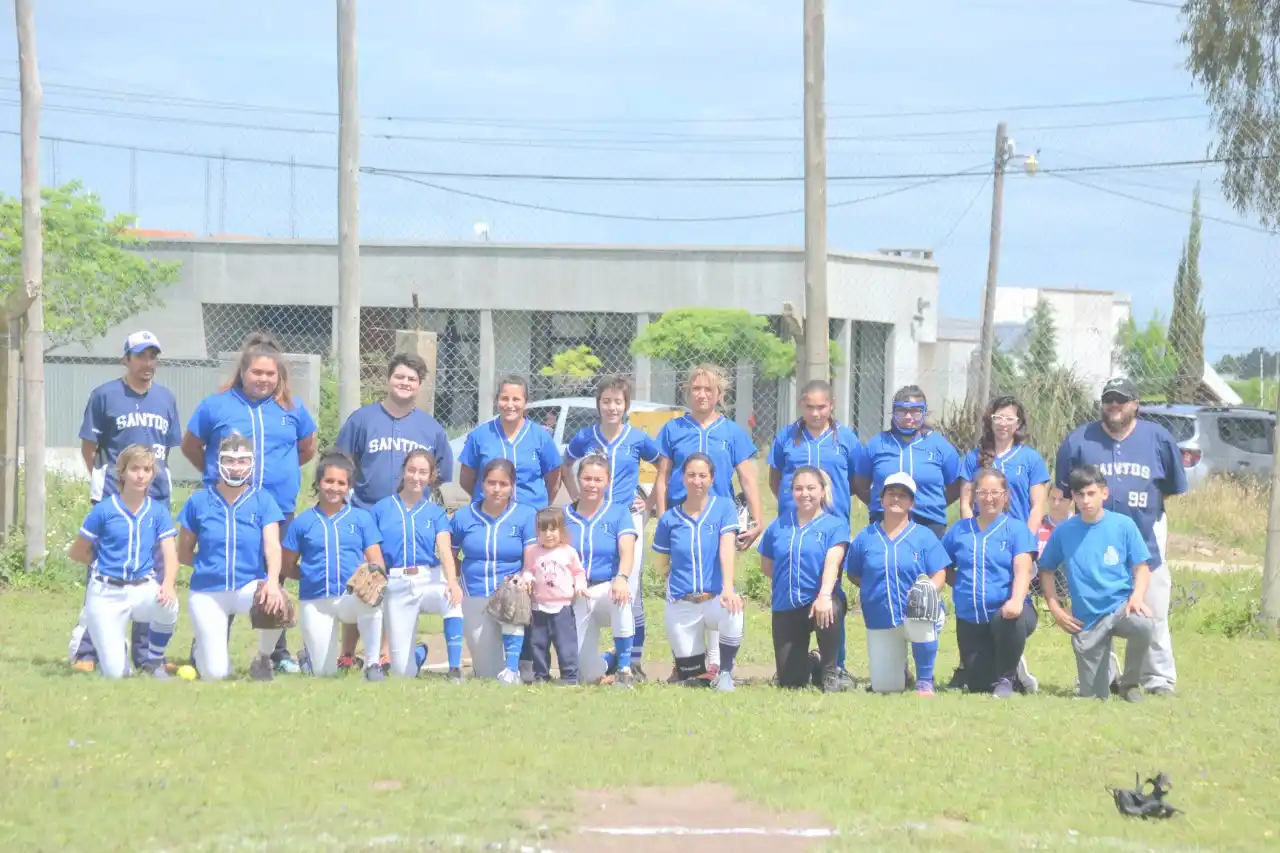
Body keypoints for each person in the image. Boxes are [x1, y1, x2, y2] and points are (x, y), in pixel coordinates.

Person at [183, 331, 317, 674]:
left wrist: (278, 475)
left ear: (280, 376)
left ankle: (275, 652)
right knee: (226, 574)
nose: (263, 379)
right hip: (225, 506)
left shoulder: (291, 408)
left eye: (270, 374)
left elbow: (307, 449)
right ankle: (208, 643)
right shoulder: (217, 405)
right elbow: (190, 446)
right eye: (257, 372)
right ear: (242, 372)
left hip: (276, 507)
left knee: (275, 578)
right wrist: (215, 476)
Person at [1055, 376, 1187, 697]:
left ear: (1135, 404)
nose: (1114, 405)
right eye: (1109, 399)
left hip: (1145, 539)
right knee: (1097, 614)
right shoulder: (1080, 439)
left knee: (1150, 610)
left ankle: (1158, 678)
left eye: (1122, 399)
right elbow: (1062, 493)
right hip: (1092, 545)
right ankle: (1106, 673)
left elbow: (1169, 489)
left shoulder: (1158, 438)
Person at [69, 331, 181, 674]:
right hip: (114, 499)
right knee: (103, 571)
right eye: (140, 356)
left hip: (155, 497)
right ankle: (87, 649)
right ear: (126, 359)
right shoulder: (105, 395)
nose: (147, 363)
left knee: (153, 577)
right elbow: (90, 448)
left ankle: (147, 657)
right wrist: (112, 482)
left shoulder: (165, 398)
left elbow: (167, 447)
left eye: (152, 356)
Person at [337, 352, 455, 671]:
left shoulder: (429, 428)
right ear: (388, 379)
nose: (405, 383)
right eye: (399, 376)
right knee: (364, 584)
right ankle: (348, 653)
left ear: (420, 386)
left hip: (407, 519)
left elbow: (441, 470)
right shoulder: (362, 419)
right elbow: (342, 462)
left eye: (412, 379)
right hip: (366, 511)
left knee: (396, 585)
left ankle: (387, 652)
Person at [653, 364, 762, 679]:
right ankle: (684, 660)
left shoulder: (731, 431)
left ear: (719, 394)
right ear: (688, 391)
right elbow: (661, 478)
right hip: (682, 517)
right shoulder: (674, 429)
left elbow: (747, 477)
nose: (701, 394)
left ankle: (717, 663)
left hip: (719, 520)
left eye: (708, 389)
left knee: (716, 583)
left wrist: (758, 519)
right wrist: (662, 517)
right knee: (685, 582)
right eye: (696, 388)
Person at [766, 378, 863, 688]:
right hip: (794, 529)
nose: (816, 412)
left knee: (830, 594)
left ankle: (836, 665)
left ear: (831, 406)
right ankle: (805, 659)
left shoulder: (846, 439)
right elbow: (774, 478)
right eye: (810, 406)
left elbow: (859, 481)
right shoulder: (787, 438)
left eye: (822, 407)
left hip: (831, 530)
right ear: (801, 406)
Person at [561, 375, 657, 681]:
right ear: (598, 404)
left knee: (630, 588)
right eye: (606, 401)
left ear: (626, 405)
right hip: (590, 517)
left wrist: (651, 501)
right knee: (582, 582)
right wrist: (576, 496)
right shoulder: (585, 436)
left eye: (618, 402)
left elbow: (664, 465)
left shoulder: (638, 438)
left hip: (626, 518)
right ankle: (596, 656)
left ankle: (633, 662)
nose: (612, 407)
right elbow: (566, 465)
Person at [1038, 465, 1157, 702]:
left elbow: (1142, 568)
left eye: (1091, 493)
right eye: (1079, 495)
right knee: (1094, 697)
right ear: (1072, 496)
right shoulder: (1064, 532)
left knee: (1144, 625)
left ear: (1104, 493)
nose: (1085, 500)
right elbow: (1046, 569)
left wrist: (1136, 596)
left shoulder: (1123, 525)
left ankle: (1130, 684)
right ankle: (1103, 673)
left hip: (1120, 607)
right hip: (1087, 618)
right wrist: (1055, 609)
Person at [177, 435, 289, 681]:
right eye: (229, 460)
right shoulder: (199, 501)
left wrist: (271, 583)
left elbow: (272, 547)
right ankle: (202, 649)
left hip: (247, 586)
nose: (235, 467)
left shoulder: (262, 500)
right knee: (216, 674)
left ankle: (263, 658)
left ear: (252, 464)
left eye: (242, 461)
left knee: (279, 601)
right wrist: (209, 566)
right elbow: (183, 553)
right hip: (208, 591)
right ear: (218, 462)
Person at [67, 445, 180, 680]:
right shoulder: (104, 509)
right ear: (122, 473)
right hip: (106, 591)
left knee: (169, 604)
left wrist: (168, 583)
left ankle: (155, 660)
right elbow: (77, 551)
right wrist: (101, 564)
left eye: (147, 469)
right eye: (134, 469)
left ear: (152, 474)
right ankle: (115, 643)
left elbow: (170, 555)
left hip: (142, 587)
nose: (141, 475)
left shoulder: (157, 511)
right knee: (116, 674)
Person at [282, 451, 386, 681]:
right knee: (323, 673)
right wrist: (308, 575)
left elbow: (376, 562)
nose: (334, 487)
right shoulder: (303, 522)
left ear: (349, 487)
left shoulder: (360, 518)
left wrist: (368, 579)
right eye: (328, 480)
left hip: (350, 596)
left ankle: (372, 664)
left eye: (341, 483)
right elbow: (286, 565)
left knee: (370, 597)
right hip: (317, 599)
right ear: (318, 483)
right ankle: (309, 657)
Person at [845, 472, 950, 696]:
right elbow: (853, 573)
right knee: (886, 687)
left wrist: (929, 590)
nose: (896, 499)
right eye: (891, 494)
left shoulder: (923, 535)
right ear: (881, 500)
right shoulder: (866, 537)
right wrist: (875, 587)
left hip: (918, 612)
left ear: (911, 503)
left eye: (903, 495)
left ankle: (924, 680)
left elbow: (940, 572)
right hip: (880, 614)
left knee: (921, 605)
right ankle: (901, 671)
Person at [941, 468, 1039, 698]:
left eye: (995, 492)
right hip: (971, 616)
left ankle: (1007, 677)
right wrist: (964, 584)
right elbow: (942, 565)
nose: (989, 498)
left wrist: (1016, 601)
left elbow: (1022, 569)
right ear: (975, 496)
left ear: (1006, 496)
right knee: (978, 685)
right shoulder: (960, 530)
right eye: (983, 492)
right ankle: (1015, 668)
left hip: (1009, 613)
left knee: (1006, 620)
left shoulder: (1016, 529)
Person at [651, 453, 745, 693]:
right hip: (683, 603)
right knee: (693, 678)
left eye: (703, 475)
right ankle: (704, 671)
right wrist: (674, 576)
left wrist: (727, 588)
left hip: (714, 598)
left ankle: (725, 672)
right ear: (682, 478)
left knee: (733, 607)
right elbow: (660, 563)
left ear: (712, 479)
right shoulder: (670, 518)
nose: (697, 481)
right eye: (691, 475)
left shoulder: (723, 507)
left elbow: (726, 547)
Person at [371, 449, 465, 681]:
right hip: (395, 582)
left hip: (428, 578)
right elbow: (371, 551)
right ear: (403, 471)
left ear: (431, 477)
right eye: (412, 470)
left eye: (423, 472)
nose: (416, 476)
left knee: (452, 600)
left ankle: (454, 669)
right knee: (403, 673)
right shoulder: (381, 508)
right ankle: (418, 653)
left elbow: (444, 549)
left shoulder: (435, 512)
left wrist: (452, 581)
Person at [757, 466, 850, 692]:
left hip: (820, 600)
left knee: (831, 608)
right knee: (790, 682)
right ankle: (813, 661)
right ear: (791, 492)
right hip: (787, 604)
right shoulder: (779, 525)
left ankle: (830, 671)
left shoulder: (835, 525)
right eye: (798, 488)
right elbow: (767, 566)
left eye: (811, 488)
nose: (805, 494)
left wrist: (824, 595)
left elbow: (833, 563)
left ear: (822, 491)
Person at [450, 458, 539, 682]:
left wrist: (522, 577)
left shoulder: (526, 514)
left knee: (513, 590)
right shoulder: (463, 516)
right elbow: (449, 555)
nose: (497, 489)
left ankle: (512, 668)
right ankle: (503, 666)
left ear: (512, 486)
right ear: (482, 484)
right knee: (488, 673)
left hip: (509, 593)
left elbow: (531, 559)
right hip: (475, 593)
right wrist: (456, 579)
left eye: (503, 484)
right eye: (491, 483)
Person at [565, 455, 639, 686]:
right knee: (587, 675)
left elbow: (627, 552)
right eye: (587, 478)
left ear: (607, 482)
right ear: (578, 479)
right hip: (577, 592)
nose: (592, 485)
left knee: (622, 598)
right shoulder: (564, 515)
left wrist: (621, 578)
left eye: (598, 479)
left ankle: (625, 668)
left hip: (607, 587)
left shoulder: (618, 512)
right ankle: (611, 659)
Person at [853, 385, 961, 539]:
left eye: (915, 412)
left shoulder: (939, 445)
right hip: (885, 522)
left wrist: (932, 503)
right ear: (893, 413)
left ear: (924, 413)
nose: (908, 417)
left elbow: (956, 486)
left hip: (930, 523)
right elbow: (860, 485)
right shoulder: (877, 444)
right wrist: (882, 504)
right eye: (902, 411)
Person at [458, 375, 562, 508]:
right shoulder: (480, 436)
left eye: (516, 399)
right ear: (496, 401)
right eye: (504, 399)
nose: (510, 405)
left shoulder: (541, 437)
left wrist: (537, 506)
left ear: (525, 402)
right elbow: (466, 479)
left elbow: (554, 480)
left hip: (530, 517)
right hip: (490, 517)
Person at [520, 508, 587, 685]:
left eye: (553, 529)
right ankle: (541, 675)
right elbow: (528, 570)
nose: (548, 534)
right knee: (538, 644)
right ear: (537, 532)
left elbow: (578, 572)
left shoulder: (569, 552)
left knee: (566, 644)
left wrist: (579, 585)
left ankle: (570, 676)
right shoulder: (533, 551)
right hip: (538, 607)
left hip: (562, 608)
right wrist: (527, 578)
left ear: (561, 530)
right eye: (543, 530)